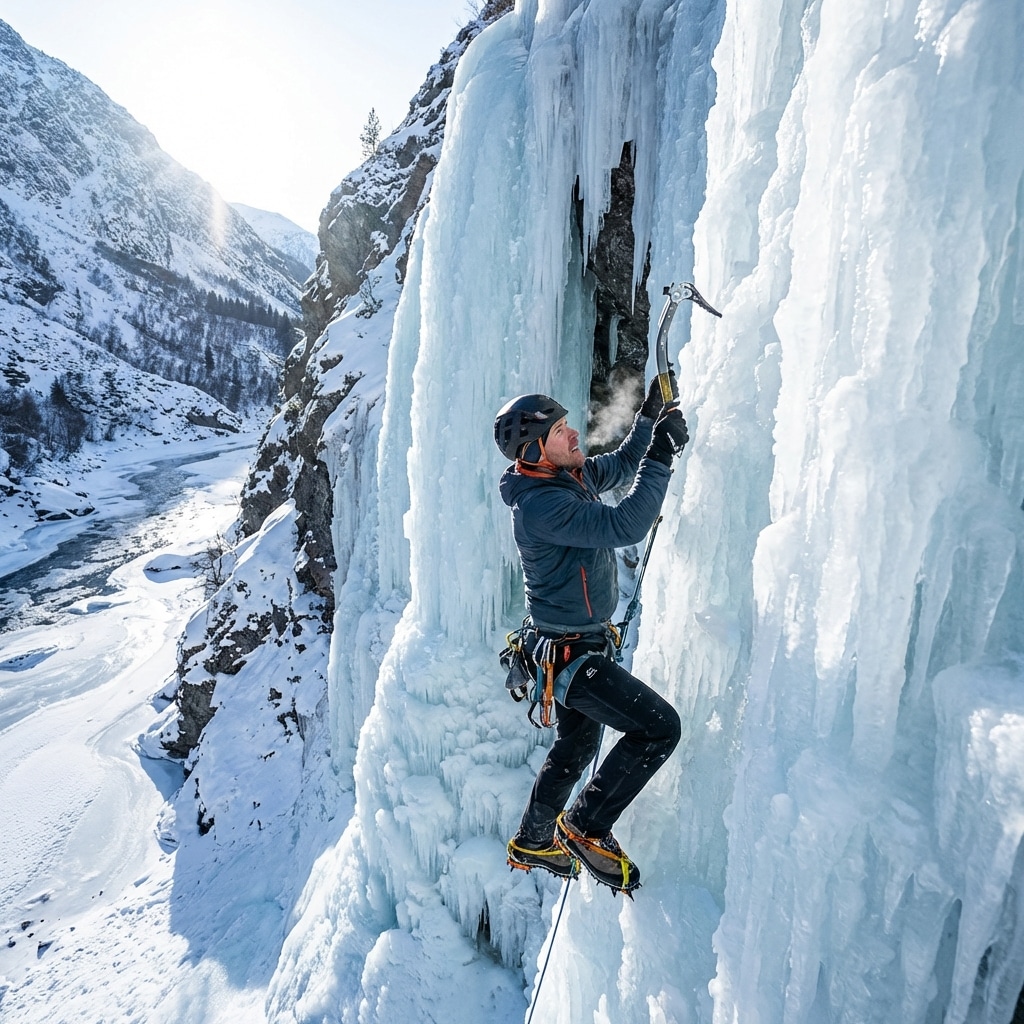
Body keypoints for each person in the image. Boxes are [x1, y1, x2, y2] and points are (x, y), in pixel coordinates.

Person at [493, 382, 687, 893]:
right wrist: (663, 455)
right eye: (560, 430)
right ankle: (585, 826)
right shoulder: (540, 507)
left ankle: (534, 840)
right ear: (534, 451)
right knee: (658, 729)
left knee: (577, 747)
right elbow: (626, 525)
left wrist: (648, 420)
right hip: (570, 656)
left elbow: (619, 468)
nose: (574, 432)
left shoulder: (565, 478)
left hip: (571, 647)